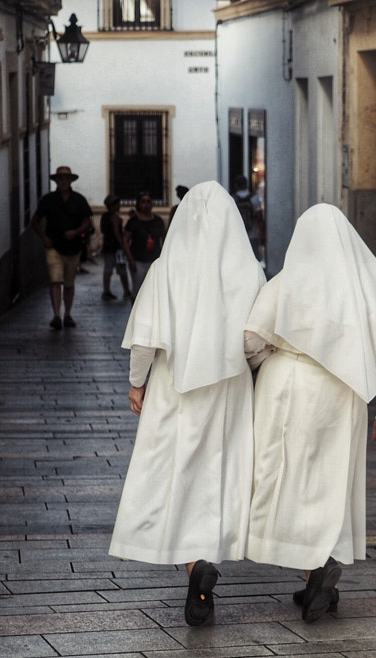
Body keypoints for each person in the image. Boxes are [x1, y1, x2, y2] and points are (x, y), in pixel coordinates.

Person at [243, 203, 376, 623]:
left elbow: (250, 340)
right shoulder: (366, 287)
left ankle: (314, 573)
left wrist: (266, 359)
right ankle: (323, 581)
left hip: (287, 387)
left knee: (290, 478)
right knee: (332, 482)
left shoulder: (285, 283)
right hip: (341, 394)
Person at [109, 181, 265, 626]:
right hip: (230, 389)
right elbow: (256, 341)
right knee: (219, 473)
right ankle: (205, 559)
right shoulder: (249, 271)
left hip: (174, 387)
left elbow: (144, 339)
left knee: (178, 473)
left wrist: (137, 385)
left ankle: (195, 566)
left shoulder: (164, 270)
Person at [31, 166, 93, 329]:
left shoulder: (79, 200)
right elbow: (35, 221)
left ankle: (68, 314)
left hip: (73, 248)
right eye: (61, 179)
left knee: (69, 283)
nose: (64, 181)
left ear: (70, 181)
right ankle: (57, 315)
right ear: (56, 181)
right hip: (54, 247)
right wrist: (44, 238)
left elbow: (88, 222)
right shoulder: (48, 200)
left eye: (66, 178)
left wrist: (76, 232)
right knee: (55, 280)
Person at [123, 191, 166, 296]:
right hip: (138, 261)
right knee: (137, 291)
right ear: (138, 204)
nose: (146, 205)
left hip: (154, 260)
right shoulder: (133, 221)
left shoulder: (158, 221)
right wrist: (131, 259)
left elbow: (164, 238)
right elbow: (125, 240)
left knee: (154, 291)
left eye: (148, 202)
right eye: (143, 202)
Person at [100, 194, 133, 302]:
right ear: (112, 205)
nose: (119, 205)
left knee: (108, 269)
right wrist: (122, 244)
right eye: (117, 203)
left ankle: (106, 290)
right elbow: (116, 232)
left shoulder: (105, 216)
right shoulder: (114, 217)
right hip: (115, 247)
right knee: (121, 269)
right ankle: (126, 290)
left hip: (108, 246)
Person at [231, 174, 265, 265]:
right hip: (253, 233)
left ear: (236, 185)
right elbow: (259, 216)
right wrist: (261, 231)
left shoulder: (232, 199)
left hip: (238, 233)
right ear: (246, 184)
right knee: (254, 258)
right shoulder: (254, 198)